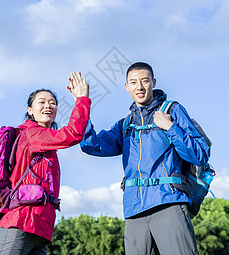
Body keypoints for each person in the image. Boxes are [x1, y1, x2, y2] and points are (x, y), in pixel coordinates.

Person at [80, 62, 209, 255]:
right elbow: (91, 145)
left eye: (144, 81)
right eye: (133, 82)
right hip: (134, 210)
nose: (139, 87)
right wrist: (82, 102)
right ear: (127, 86)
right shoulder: (125, 124)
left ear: (153, 82)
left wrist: (171, 128)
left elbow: (200, 153)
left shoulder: (172, 111)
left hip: (168, 202)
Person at [0, 72, 91, 255]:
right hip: (20, 222)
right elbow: (72, 134)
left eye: (53, 102)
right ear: (30, 110)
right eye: (42, 102)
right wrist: (82, 99)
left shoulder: (46, 142)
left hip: (40, 229)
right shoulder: (31, 134)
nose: (48, 105)